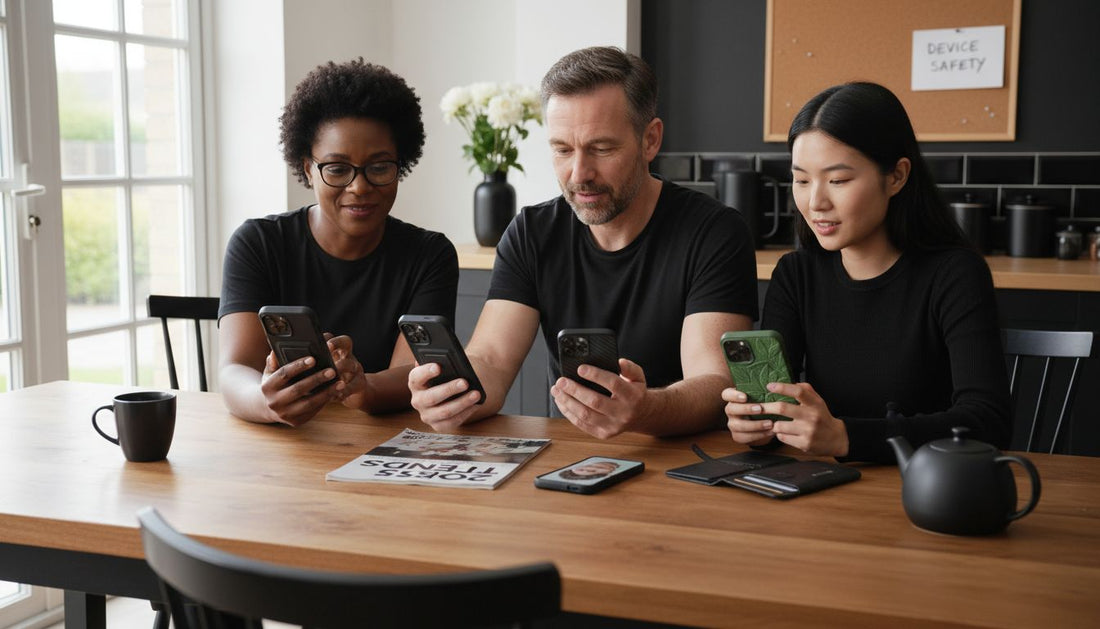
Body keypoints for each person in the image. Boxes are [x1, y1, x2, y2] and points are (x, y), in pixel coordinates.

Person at [410, 46, 758, 438]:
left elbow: (713, 383)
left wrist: (643, 409)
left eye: (601, 148)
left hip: (684, 463)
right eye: (562, 150)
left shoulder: (714, 232)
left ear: (650, 140)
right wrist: (454, 396)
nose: (579, 174)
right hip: (575, 460)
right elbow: (491, 357)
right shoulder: (531, 233)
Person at [723, 82, 1011, 463]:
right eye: (802, 179)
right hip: (822, 491)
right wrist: (758, 426)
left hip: (924, 490)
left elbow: (988, 422)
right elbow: (783, 408)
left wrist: (846, 437)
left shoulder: (954, 274)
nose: (815, 202)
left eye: (838, 180)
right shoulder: (796, 275)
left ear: (896, 177)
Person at [218, 59, 458, 427]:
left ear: (401, 164)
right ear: (308, 167)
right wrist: (265, 400)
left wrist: (362, 387)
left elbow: (413, 373)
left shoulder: (429, 255)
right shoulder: (258, 243)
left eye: (379, 167)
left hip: (382, 447)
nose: (359, 187)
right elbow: (235, 370)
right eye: (337, 169)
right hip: (280, 452)